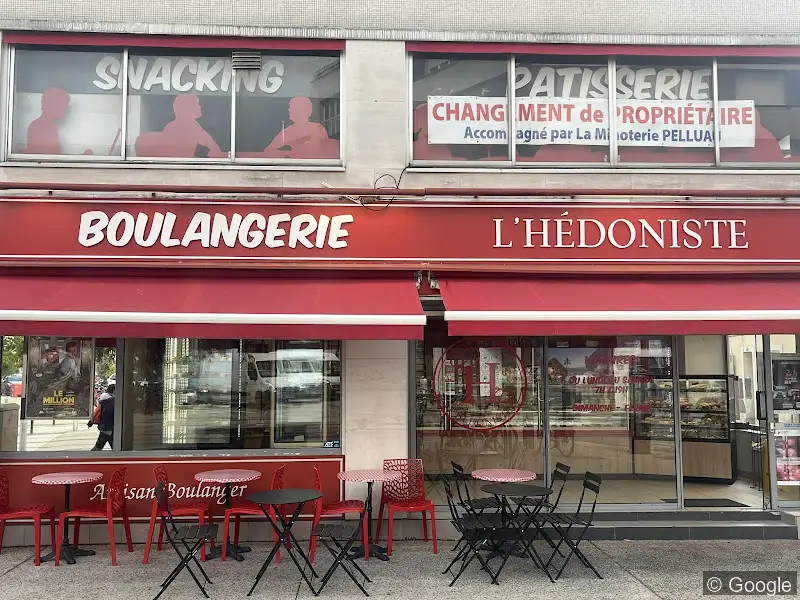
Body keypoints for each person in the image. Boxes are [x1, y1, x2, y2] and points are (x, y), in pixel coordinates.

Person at [134, 94, 225, 158]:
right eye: (197, 104)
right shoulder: (189, 127)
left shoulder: (187, 126)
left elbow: (213, 149)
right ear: (188, 108)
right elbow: (214, 150)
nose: (199, 107)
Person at [23, 87, 94, 155]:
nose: (65, 109)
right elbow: (51, 161)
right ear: (52, 105)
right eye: (62, 104)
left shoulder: (45, 126)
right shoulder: (41, 127)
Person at [263, 96, 337, 159]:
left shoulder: (316, 128)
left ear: (302, 110)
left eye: (291, 107)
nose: (289, 110)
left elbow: (317, 149)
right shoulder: (287, 131)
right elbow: (268, 151)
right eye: (289, 107)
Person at [89, 383, 114, 450]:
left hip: (104, 428)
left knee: (99, 446)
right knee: (115, 447)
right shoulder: (112, 402)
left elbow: (97, 411)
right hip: (110, 428)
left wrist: (92, 420)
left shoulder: (103, 400)